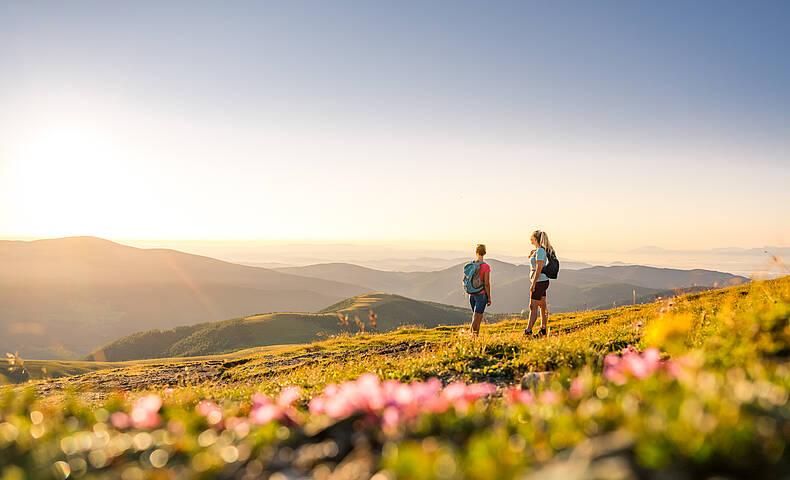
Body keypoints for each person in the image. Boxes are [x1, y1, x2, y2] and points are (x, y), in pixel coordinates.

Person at [524, 230, 553, 337]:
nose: (530, 238)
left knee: (533, 307)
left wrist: (533, 283)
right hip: (542, 281)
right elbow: (536, 265)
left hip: (539, 281)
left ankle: (528, 331)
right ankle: (543, 329)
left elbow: (539, 268)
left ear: (535, 238)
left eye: (531, 237)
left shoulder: (540, 251)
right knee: (542, 305)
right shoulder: (538, 250)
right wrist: (532, 255)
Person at [468, 244, 491, 337]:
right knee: (476, 318)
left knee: (478, 317)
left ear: (476, 252)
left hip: (472, 294)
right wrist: (489, 297)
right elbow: (486, 283)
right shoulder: (486, 267)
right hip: (481, 295)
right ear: (485, 253)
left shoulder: (471, 265)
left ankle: (476, 338)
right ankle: (471, 339)